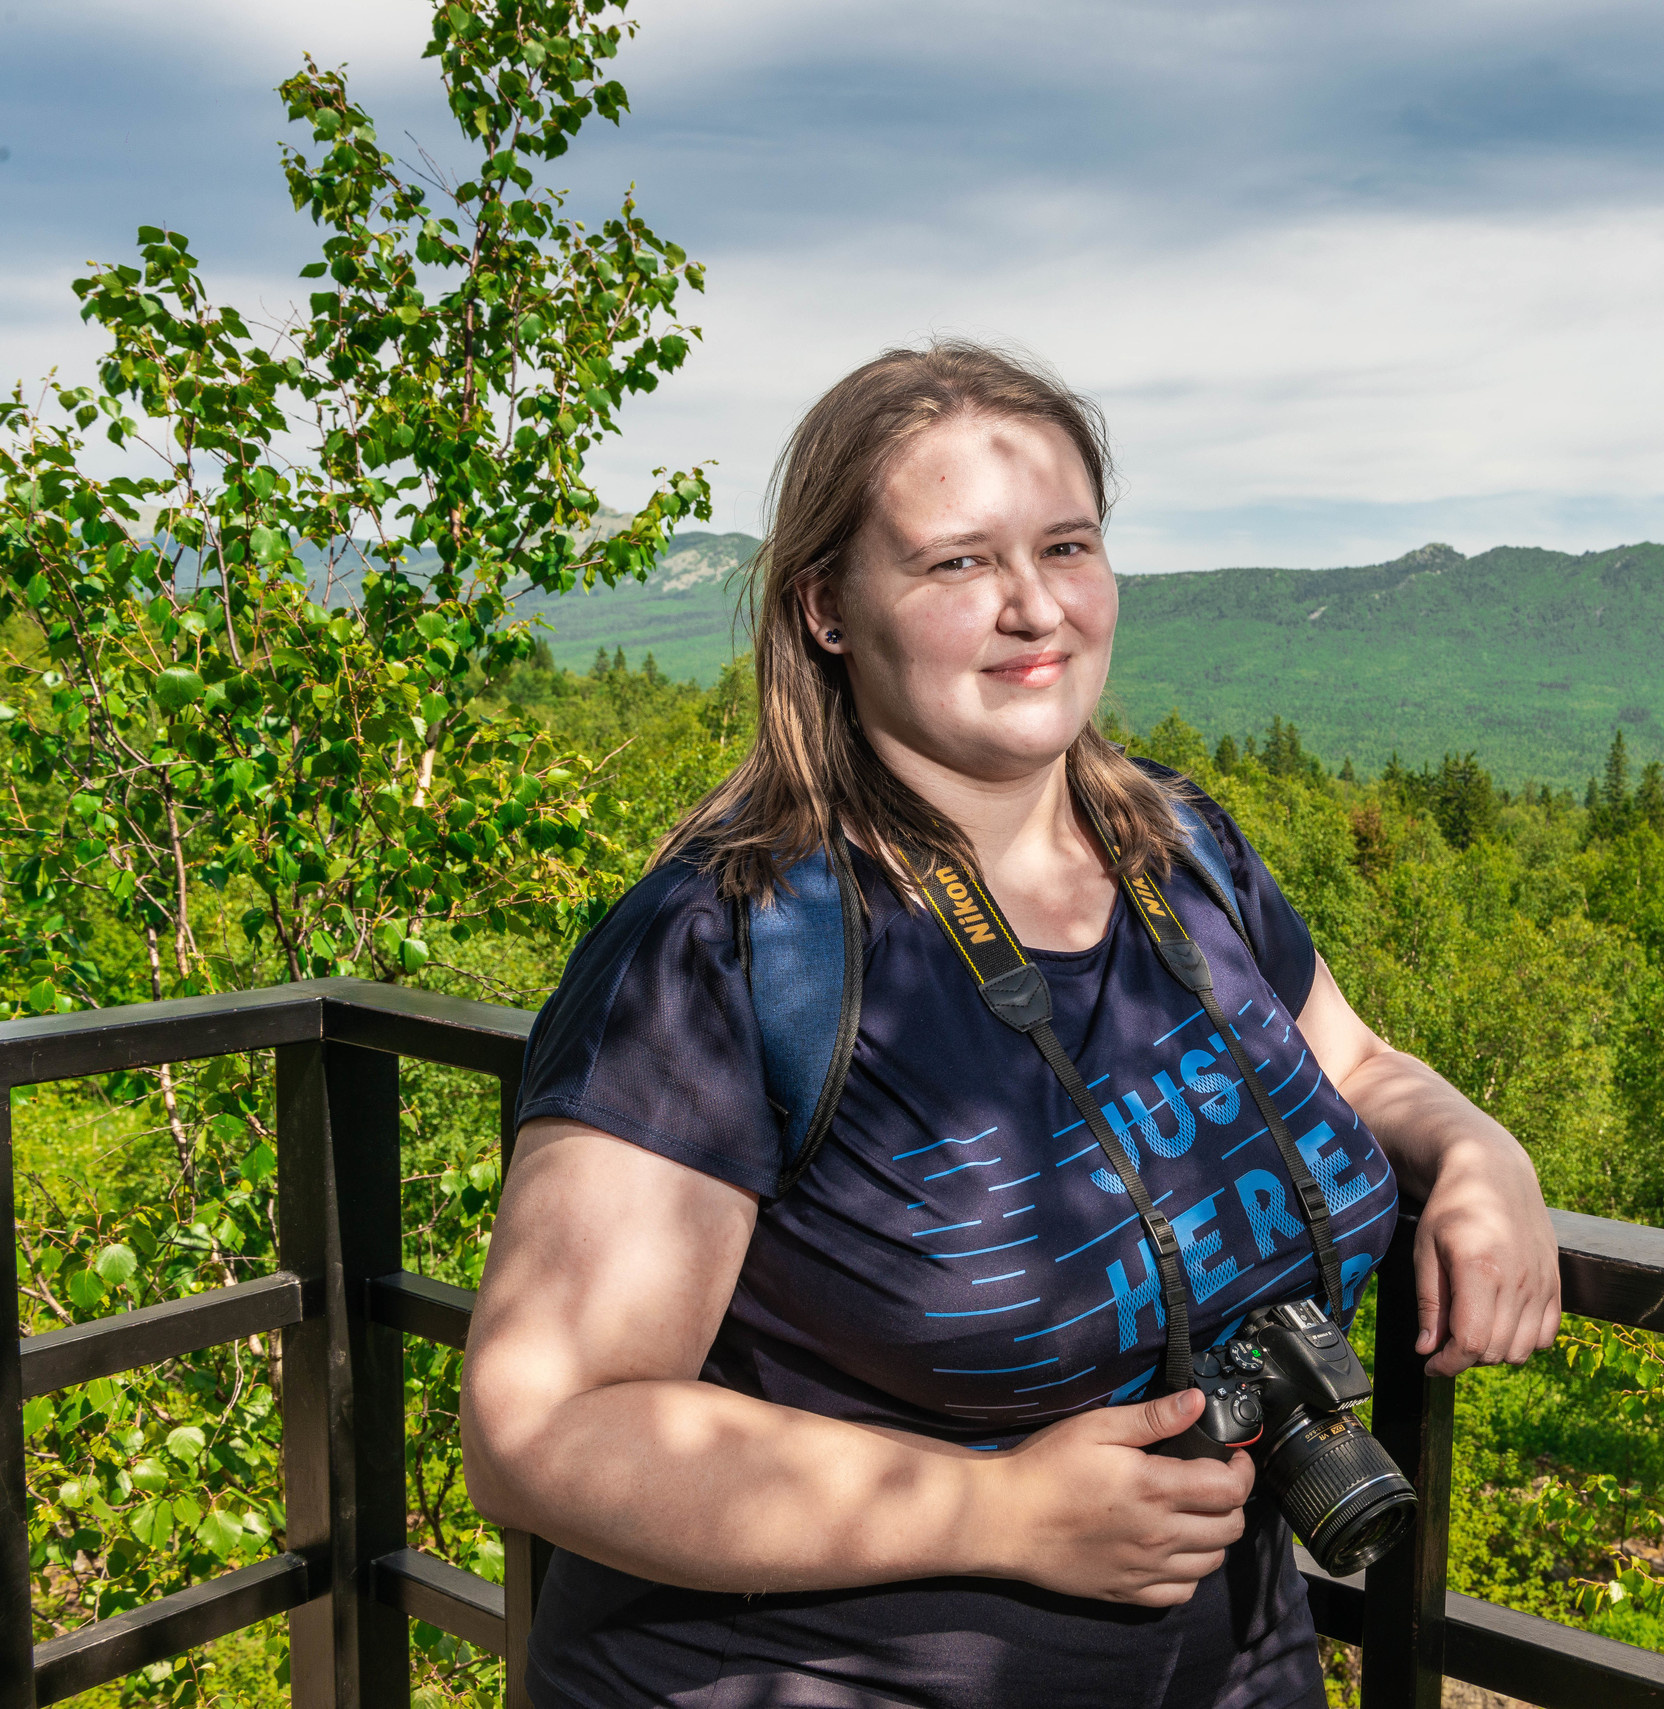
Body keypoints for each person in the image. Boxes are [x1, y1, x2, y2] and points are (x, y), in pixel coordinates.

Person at [460, 341, 1561, 1709]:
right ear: (827, 609)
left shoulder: (1173, 845)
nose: (1035, 606)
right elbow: (543, 1426)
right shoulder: (734, 946)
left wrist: (1476, 1153)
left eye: (1068, 545)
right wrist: (998, 1510)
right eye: (957, 563)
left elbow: (1352, 1063)